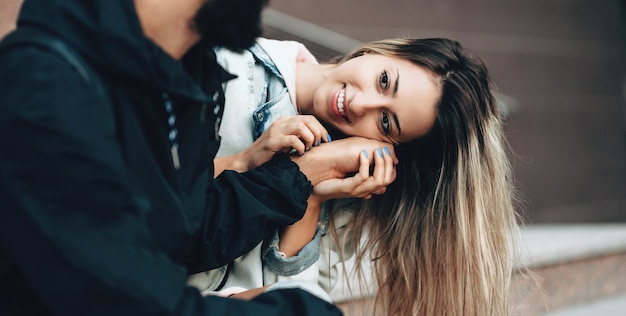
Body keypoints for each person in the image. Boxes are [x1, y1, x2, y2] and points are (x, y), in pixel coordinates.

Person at [0, 0, 396, 315]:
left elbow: (179, 232)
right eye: (383, 82)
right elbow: (117, 298)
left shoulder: (184, 74)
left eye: (388, 122)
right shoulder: (50, 89)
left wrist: (291, 174)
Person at [188, 37, 521, 315]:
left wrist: (314, 197)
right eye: (384, 81)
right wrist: (252, 162)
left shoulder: (346, 194)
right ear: (380, 51)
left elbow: (293, 301)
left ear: (390, 147)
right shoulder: (226, 63)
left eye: (386, 122)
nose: (361, 104)